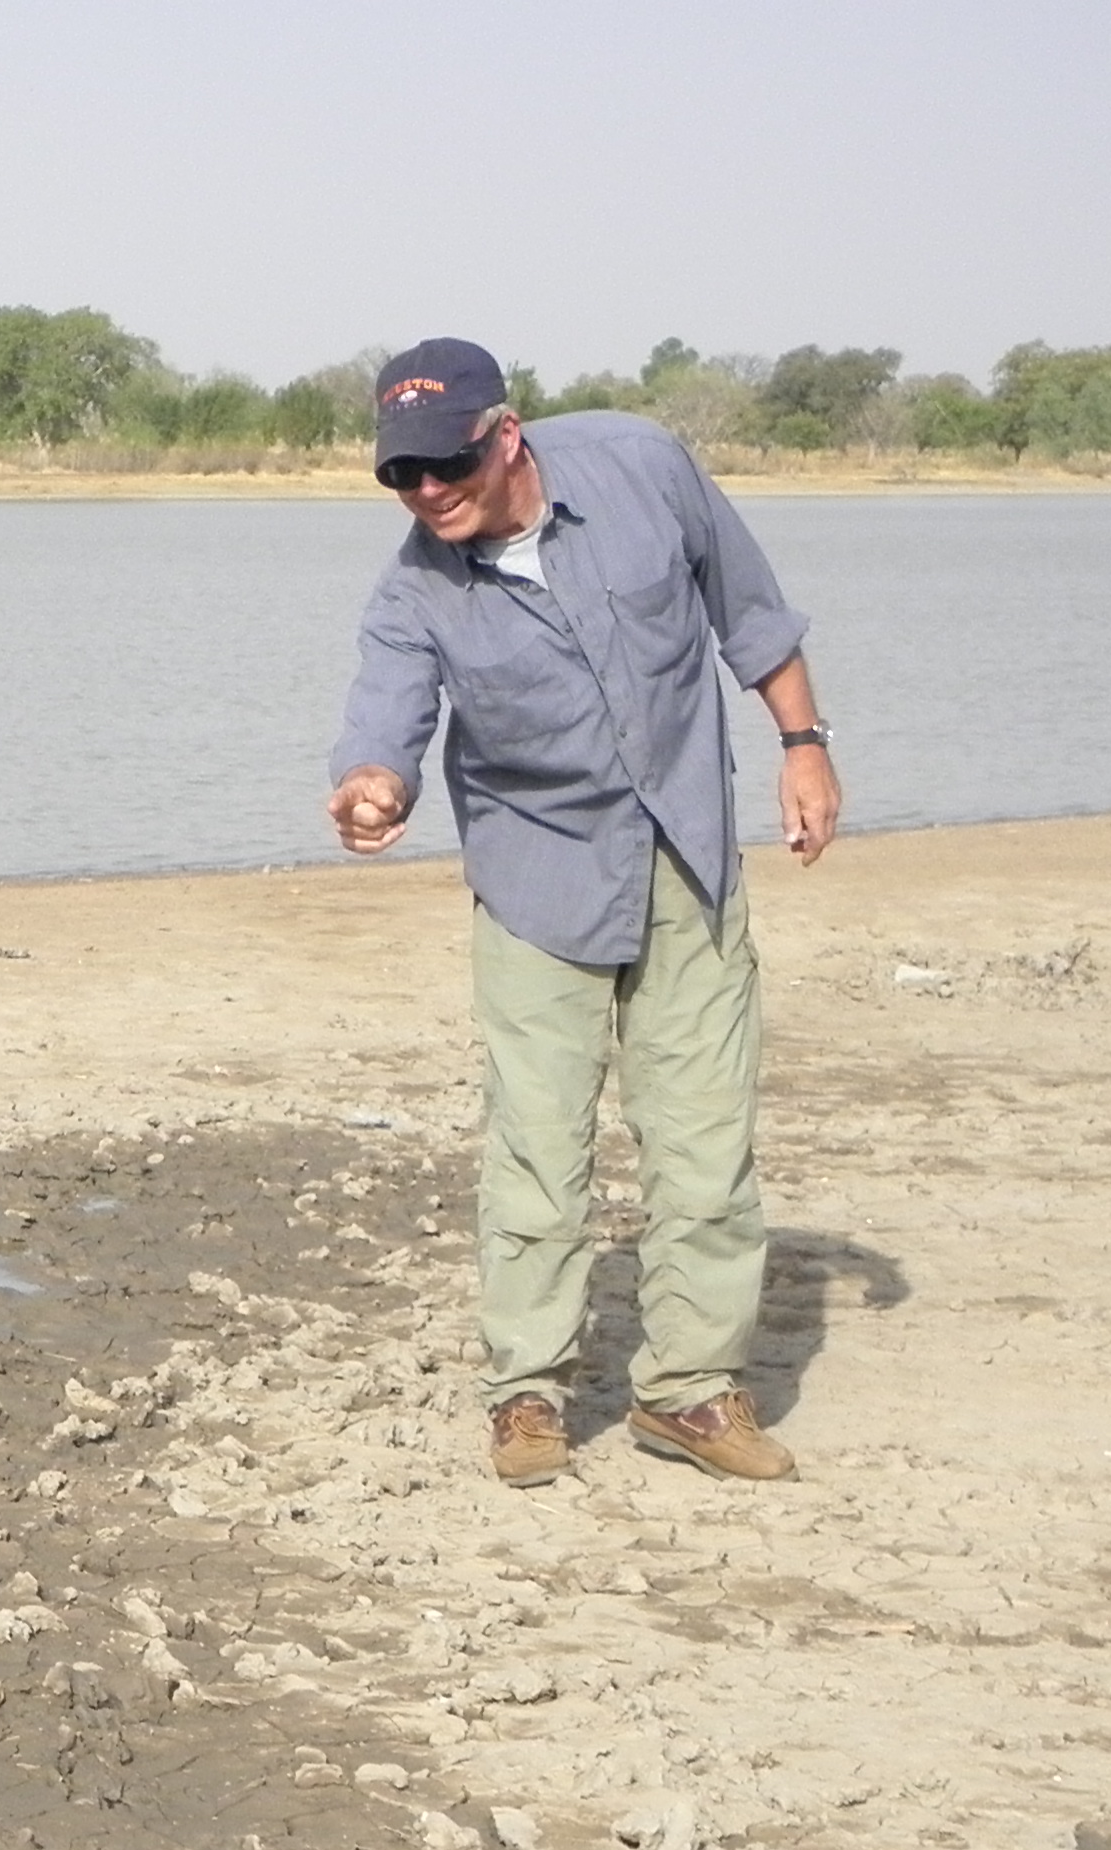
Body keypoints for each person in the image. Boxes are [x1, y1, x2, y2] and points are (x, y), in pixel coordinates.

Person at [326, 337, 839, 1487]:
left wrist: (802, 746)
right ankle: (525, 1393)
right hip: (536, 881)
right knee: (537, 1147)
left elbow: (749, 611)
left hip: (685, 857)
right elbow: (382, 714)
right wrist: (372, 786)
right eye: (399, 473)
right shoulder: (413, 589)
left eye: (444, 464)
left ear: (504, 436)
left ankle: (688, 1393)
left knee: (703, 1143)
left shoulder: (640, 465)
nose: (425, 491)